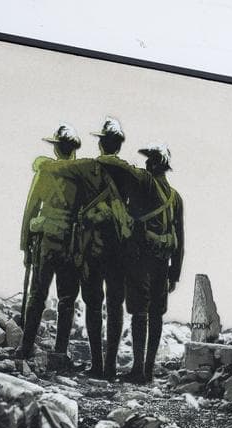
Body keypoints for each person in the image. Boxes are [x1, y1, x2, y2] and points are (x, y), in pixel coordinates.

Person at [17, 124, 88, 364]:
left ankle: (25, 348)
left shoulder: (45, 171)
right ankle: (59, 352)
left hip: (46, 243)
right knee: (67, 301)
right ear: (73, 150)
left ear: (57, 149)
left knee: (37, 296)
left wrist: (25, 245)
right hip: (70, 244)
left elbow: (30, 209)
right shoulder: (81, 176)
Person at [79, 116, 137, 379]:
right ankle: (112, 366)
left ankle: (97, 364)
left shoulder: (90, 169)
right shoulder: (130, 172)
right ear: (119, 146)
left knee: (93, 303)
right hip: (120, 247)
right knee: (115, 304)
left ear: (102, 143)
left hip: (93, 243)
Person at [122, 143, 184, 383]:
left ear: (156, 164)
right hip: (163, 264)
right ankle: (148, 370)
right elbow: (180, 239)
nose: (146, 164)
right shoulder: (176, 197)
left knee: (140, 314)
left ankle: (139, 369)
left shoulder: (146, 184)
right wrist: (174, 273)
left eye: (150, 160)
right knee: (156, 315)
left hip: (142, 261)